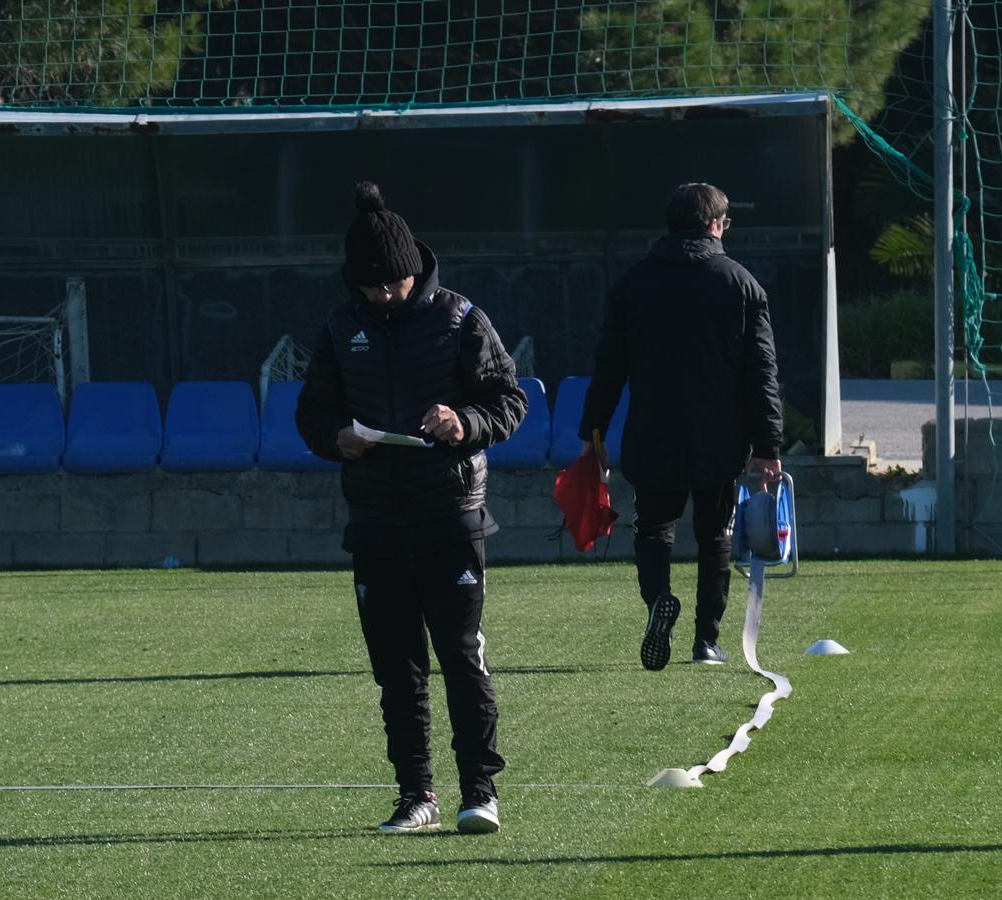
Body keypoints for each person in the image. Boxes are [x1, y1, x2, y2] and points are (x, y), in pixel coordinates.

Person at [296, 181, 528, 834]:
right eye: (369, 288)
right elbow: (311, 413)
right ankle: (414, 796)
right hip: (373, 523)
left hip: (449, 518)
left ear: (412, 271)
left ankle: (479, 792)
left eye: (391, 285)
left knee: (461, 658)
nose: (381, 296)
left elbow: (510, 400)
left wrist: (464, 422)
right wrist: (336, 438)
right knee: (396, 673)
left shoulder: (459, 319)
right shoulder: (342, 327)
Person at [577, 182, 783, 671]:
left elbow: (609, 367)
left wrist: (594, 434)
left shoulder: (632, 284)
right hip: (720, 436)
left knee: (653, 528)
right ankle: (706, 642)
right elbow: (762, 374)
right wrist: (767, 445)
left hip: (652, 432)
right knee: (715, 536)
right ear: (715, 224)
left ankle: (657, 604)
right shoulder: (741, 284)